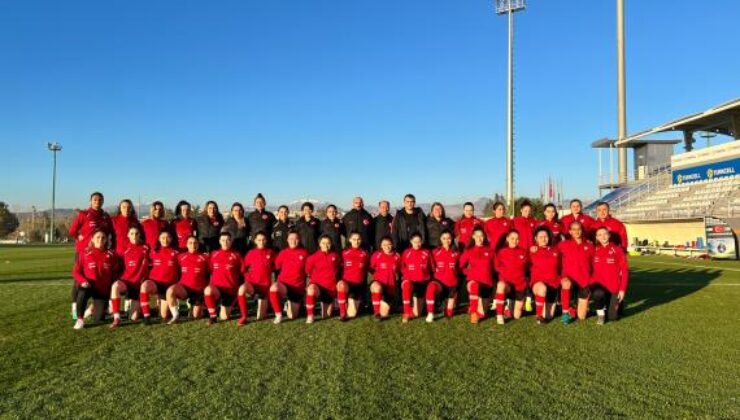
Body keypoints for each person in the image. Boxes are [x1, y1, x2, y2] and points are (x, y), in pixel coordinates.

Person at [68, 192, 113, 319]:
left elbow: (110, 232)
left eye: (100, 200)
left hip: (101, 252)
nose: (97, 202)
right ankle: (75, 309)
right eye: (95, 200)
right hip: (84, 253)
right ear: (90, 201)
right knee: (79, 281)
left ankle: (96, 307)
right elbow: (72, 231)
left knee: (101, 279)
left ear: (102, 201)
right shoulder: (84, 214)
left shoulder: (105, 216)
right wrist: (79, 237)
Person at [71, 230, 120, 329]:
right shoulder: (84, 253)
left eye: (103, 238)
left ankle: (91, 310)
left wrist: (112, 292)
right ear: (92, 239)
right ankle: (80, 319)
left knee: (98, 318)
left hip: (102, 291)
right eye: (98, 237)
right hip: (89, 286)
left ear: (106, 240)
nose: (100, 239)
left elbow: (115, 274)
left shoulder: (111, 254)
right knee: (82, 292)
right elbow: (75, 272)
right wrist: (83, 281)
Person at [109, 226, 150, 328]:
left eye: (136, 233)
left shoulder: (146, 248)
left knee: (134, 317)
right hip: (126, 282)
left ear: (140, 235)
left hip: (139, 285)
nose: (134, 236)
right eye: (131, 233)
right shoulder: (124, 249)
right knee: (115, 286)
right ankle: (116, 318)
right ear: (128, 235)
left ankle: (138, 309)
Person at [589, 227, 629, 324]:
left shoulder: (618, 250)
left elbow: (624, 271)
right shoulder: (593, 250)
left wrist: (622, 290)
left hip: (613, 287)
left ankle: (615, 305)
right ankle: (601, 314)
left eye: (605, 234)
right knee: (598, 294)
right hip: (599, 286)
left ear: (609, 235)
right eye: (600, 235)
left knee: (613, 317)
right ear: (596, 237)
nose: (603, 236)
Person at [557, 221, 594, 324]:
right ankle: (565, 313)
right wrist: (535, 247)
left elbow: (594, 264)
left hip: (584, 280)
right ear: (570, 232)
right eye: (574, 229)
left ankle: (573, 307)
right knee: (566, 283)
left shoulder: (589, 246)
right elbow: (552, 253)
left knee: (581, 317)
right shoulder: (563, 244)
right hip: (569, 278)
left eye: (579, 229)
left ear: (582, 231)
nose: (577, 231)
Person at [139, 230, 179, 324]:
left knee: (164, 316)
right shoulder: (153, 252)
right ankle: (147, 316)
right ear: (159, 239)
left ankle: (159, 308)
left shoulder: (176, 253)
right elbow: (146, 265)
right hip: (155, 284)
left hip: (168, 287)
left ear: (171, 239)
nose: (165, 240)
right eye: (163, 238)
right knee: (144, 286)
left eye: (168, 237)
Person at [166, 235, 208, 324]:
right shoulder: (181, 257)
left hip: (198, 290)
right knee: (170, 291)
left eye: (195, 243)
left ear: (198, 244)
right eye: (190, 243)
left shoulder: (205, 258)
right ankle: (176, 315)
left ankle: (202, 306)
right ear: (187, 245)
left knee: (196, 316)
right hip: (184, 289)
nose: (193, 245)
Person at [204, 232, 243, 325]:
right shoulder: (214, 254)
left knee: (224, 317)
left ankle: (228, 304)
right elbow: (210, 270)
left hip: (230, 291)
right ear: (219, 241)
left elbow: (242, 272)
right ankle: (213, 316)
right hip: (217, 289)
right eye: (223, 240)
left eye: (228, 240)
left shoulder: (237, 255)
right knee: (208, 290)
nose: (225, 242)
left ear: (231, 241)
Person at [459, 227, 496, 324]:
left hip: (487, 283)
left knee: (483, 314)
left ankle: (472, 306)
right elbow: (460, 266)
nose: (479, 238)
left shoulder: (490, 251)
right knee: (474, 286)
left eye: (481, 236)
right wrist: (469, 272)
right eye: (477, 236)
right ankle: (473, 312)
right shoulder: (468, 251)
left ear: (484, 237)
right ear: (473, 237)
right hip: (473, 281)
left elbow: (496, 267)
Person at [270, 231, 308, 324]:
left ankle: (291, 303)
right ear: (287, 240)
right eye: (291, 239)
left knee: (292, 316)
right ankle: (278, 315)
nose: (293, 241)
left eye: (296, 239)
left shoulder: (305, 253)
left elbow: (309, 270)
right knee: (273, 288)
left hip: (297, 287)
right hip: (284, 284)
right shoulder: (283, 252)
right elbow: (275, 267)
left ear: (299, 240)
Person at [238, 232, 275, 325]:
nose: (261, 242)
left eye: (263, 240)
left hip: (264, 287)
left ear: (266, 240)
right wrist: (248, 277)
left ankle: (266, 302)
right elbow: (243, 268)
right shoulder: (250, 253)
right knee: (241, 289)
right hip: (252, 285)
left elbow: (276, 267)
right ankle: (244, 316)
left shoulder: (271, 253)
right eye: (259, 240)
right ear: (255, 241)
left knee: (260, 317)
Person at [305, 235, 342, 323]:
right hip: (318, 288)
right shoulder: (313, 257)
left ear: (331, 244)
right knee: (311, 289)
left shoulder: (335, 256)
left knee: (326, 316)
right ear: (319, 244)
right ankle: (310, 316)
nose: (326, 245)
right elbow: (307, 271)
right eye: (323, 243)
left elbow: (339, 268)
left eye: (328, 243)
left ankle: (331, 302)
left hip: (331, 289)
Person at [494, 231, 529, 324]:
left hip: (519, 286)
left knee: (517, 316)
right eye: (512, 238)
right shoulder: (501, 252)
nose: (515, 241)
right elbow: (496, 267)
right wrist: (505, 272)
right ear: (507, 239)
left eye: (517, 239)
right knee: (500, 285)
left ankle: (509, 304)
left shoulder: (524, 252)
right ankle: (500, 315)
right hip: (507, 285)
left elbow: (528, 267)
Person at [529, 227, 561, 324]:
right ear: (536, 238)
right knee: (542, 288)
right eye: (540, 237)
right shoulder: (532, 251)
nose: (543, 239)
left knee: (549, 316)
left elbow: (561, 266)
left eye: (545, 236)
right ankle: (538, 315)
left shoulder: (555, 251)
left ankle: (545, 306)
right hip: (538, 284)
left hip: (553, 284)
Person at [427, 230, 460, 322]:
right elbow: (431, 266)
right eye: (444, 238)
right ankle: (430, 313)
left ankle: (448, 305)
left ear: (452, 239)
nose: (446, 240)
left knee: (449, 314)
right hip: (439, 282)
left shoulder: (457, 253)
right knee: (431, 287)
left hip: (452, 284)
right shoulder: (435, 252)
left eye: (449, 238)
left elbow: (459, 267)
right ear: (440, 239)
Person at [400, 232, 433, 322]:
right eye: (415, 242)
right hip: (410, 281)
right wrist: (406, 276)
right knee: (406, 286)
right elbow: (402, 267)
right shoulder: (406, 252)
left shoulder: (426, 252)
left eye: (419, 242)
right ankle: (406, 312)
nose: (417, 244)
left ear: (422, 241)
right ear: (411, 241)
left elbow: (432, 267)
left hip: (422, 282)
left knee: (417, 314)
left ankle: (412, 306)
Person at [339, 232, 370, 321]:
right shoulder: (344, 252)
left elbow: (369, 267)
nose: (356, 241)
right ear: (349, 240)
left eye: (358, 239)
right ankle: (342, 313)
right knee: (341, 285)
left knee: (352, 314)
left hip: (358, 285)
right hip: (347, 283)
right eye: (354, 239)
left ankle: (348, 301)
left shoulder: (365, 253)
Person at [369, 236, 401, 321]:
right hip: (379, 283)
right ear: (381, 246)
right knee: (377, 287)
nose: (387, 246)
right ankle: (376, 313)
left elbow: (399, 270)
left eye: (389, 244)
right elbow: (371, 268)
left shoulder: (397, 256)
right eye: (384, 244)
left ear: (392, 245)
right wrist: (376, 276)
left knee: (384, 314)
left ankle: (387, 304)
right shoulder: (376, 255)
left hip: (390, 287)